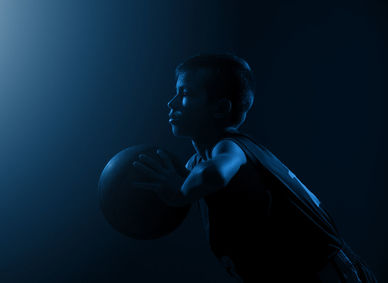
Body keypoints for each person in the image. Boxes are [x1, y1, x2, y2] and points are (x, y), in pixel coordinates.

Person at [132, 54, 377, 282]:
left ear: (220, 108)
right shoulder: (197, 163)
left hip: (331, 272)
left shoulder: (231, 147)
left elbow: (215, 173)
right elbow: (195, 177)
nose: (171, 102)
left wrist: (178, 192)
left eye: (185, 93)